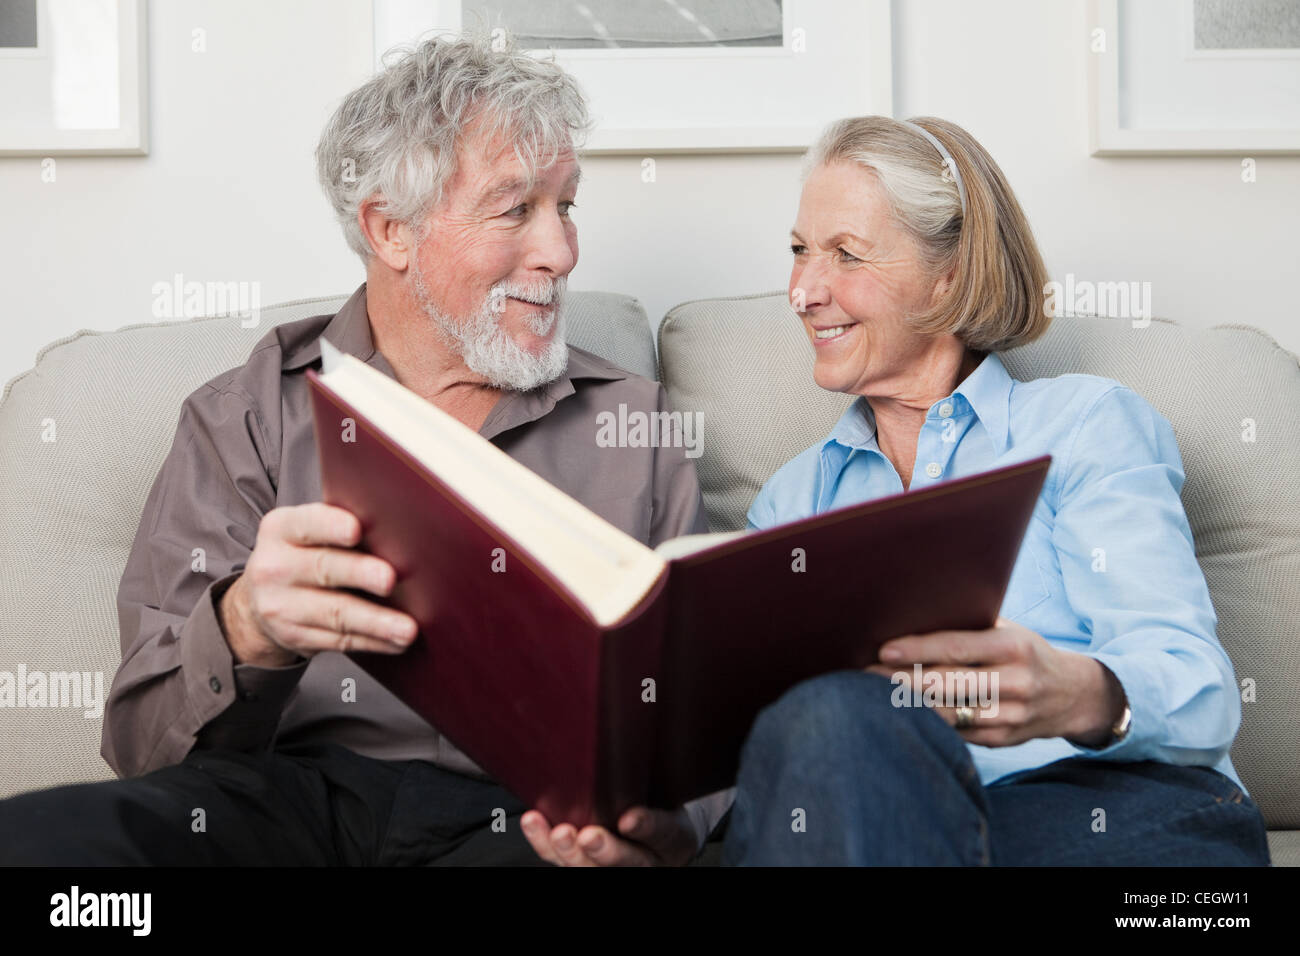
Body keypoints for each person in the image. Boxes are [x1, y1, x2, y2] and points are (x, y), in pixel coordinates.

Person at [0, 32, 727, 867]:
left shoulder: (632, 429)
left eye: (565, 206)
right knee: (44, 843)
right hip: (290, 805)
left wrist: (648, 835)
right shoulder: (250, 415)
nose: (560, 252)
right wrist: (247, 626)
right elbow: (141, 745)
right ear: (391, 231)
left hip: (523, 827)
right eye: (514, 208)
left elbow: (701, 721)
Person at [714, 115, 1271, 865]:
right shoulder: (791, 502)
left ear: (950, 274)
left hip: (1110, 813)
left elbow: (1199, 692)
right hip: (885, 827)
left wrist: (1078, 692)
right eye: (799, 251)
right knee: (832, 715)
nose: (803, 290)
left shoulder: (1083, 427)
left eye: (846, 254)